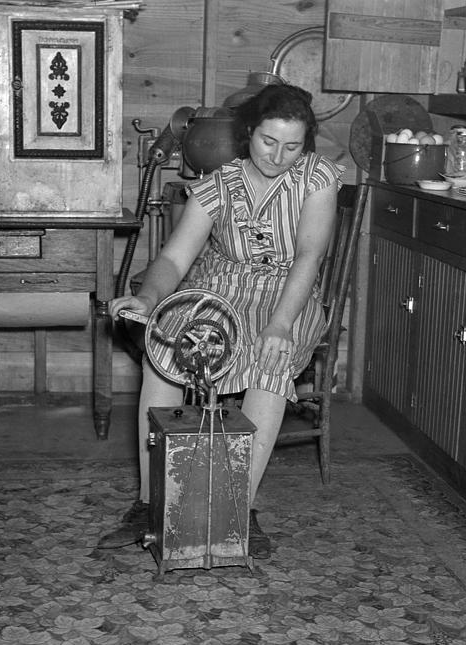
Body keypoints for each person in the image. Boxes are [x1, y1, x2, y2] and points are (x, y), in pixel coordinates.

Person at [100, 83, 345, 558]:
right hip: (222, 288)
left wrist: (279, 325)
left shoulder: (317, 178)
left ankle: (237, 509)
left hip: (289, 293)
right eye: (268, 141)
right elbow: (174, 258)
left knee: (270, 361)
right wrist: (148, 299)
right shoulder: (218, 184)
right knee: (163, 354)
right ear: (249, 132)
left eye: (292, 146)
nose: (278, 156)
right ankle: (150, 503)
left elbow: (309, 257)